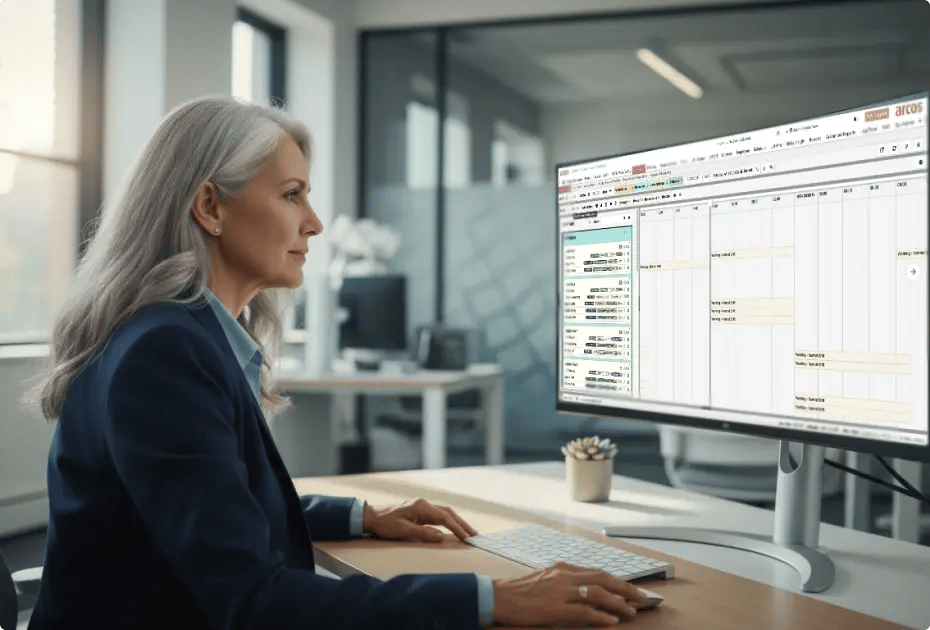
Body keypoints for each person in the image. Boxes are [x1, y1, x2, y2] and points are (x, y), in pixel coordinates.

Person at [24, 96, 648, 629]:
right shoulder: (163, 354)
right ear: (210, 208)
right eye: (292, 195)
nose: (315, 224)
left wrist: (363, 516)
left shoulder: (181, 336)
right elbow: (254, 600)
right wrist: (493, 598)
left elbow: (212, 507)